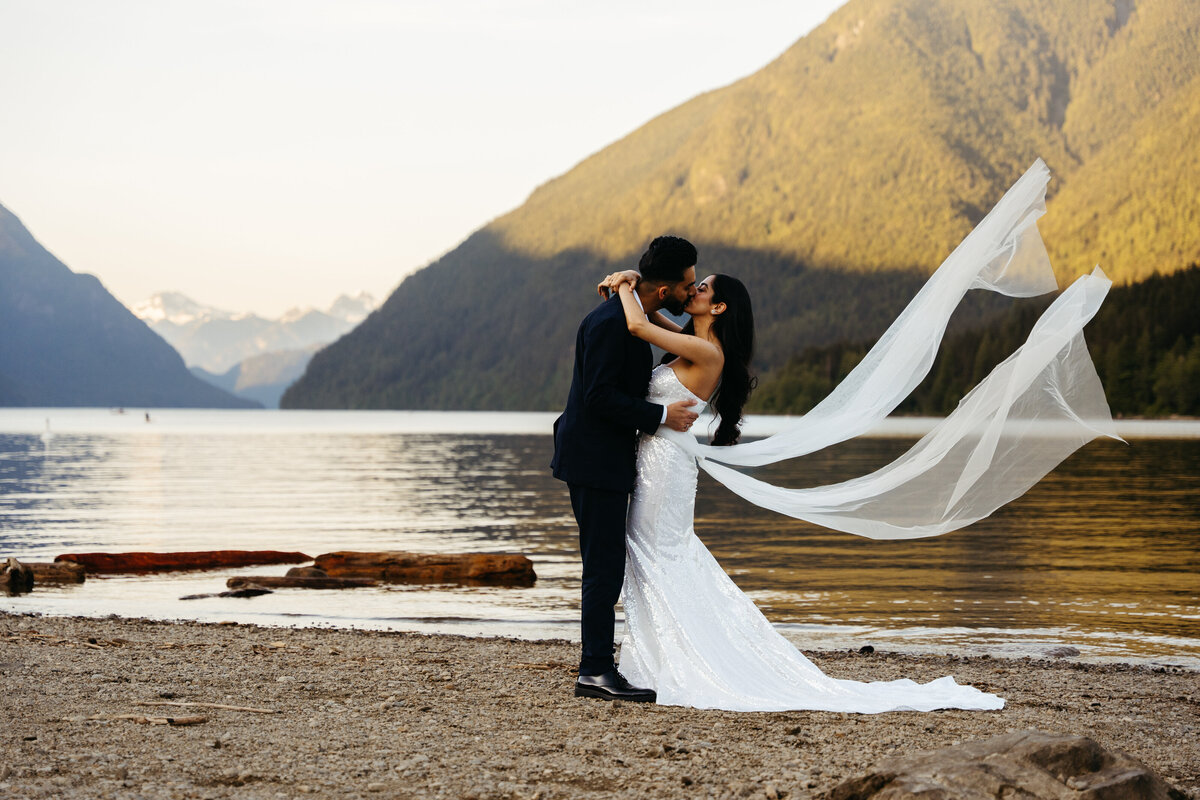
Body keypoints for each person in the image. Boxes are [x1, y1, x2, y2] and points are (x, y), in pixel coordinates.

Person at [596, 267, 1006, 712]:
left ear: (719, 307)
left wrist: (625, 284)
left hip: (666, 466)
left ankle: (678, 660)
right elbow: (649, 322)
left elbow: (638, 325)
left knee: (655, 553)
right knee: (655, 554)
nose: (694, 290)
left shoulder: (707, 352)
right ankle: (659, 656)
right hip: (659, 460)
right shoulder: (696, 343)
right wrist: (635, 292)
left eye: (704, 288)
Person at [550, 235, 702, 702]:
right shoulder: (610, 323)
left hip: (605, 457)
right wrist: (661, 416)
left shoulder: (630, 314)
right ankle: (595, 671)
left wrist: (624, 283)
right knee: (603, 567)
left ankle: (599, 665)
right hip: (593, 458)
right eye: (687, 286)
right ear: (664, 291)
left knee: (607, 564)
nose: (690, 294)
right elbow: (598, 396)